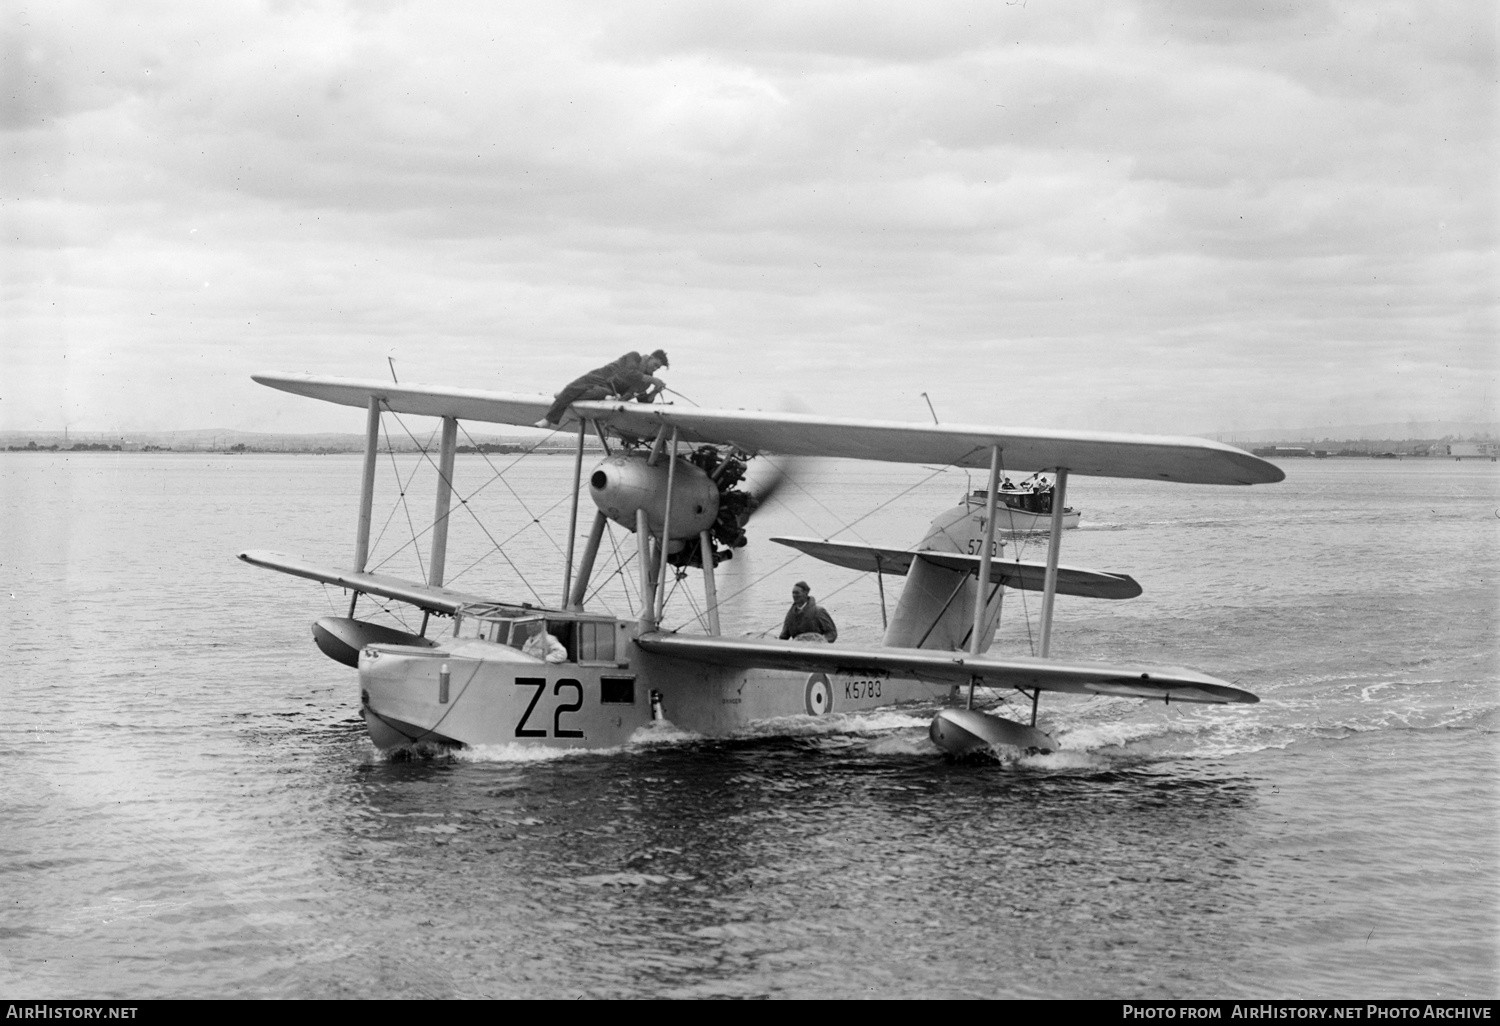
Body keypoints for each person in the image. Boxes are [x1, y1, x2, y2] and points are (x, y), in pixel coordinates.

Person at [534, 349, 670, 428]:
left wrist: (655, 391)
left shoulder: (645, 381)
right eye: (655, 365)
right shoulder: (634, 357)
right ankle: (549, 419)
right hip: (602, 375)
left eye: (657, 368)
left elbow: (643, 402)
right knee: (574, 387)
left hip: (610, 389)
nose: (655, 369)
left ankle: (564, 395)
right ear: (651, 358)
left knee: (601, 392)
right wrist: (652, 380)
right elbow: (629, 372)